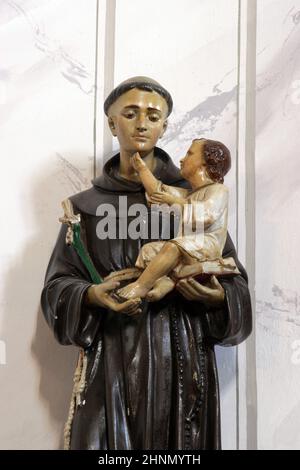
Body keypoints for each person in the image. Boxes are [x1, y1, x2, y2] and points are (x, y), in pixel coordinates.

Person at [41, 76, 252, 450]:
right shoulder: (84, 208)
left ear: (165, 126)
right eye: (131, 113)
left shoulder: (195, 199)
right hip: (109, 363)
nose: (142, 124)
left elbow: (231, 278)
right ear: (112, 123)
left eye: (153, 116)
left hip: (183, 365)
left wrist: (216, 297)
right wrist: (91, 295)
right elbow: (57, 287)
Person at [116, 140, 239, 302]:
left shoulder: (219, 190)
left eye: (189, 154)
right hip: (187, 248)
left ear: (205, 162)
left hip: (206, 246)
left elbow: (205, 215)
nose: (182, 159)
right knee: (149, 251)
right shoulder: (190, 194)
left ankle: (141, 285)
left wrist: (173, 201)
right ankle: (164, 281)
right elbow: (159, 192)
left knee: (173, 246)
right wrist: (142, 169)